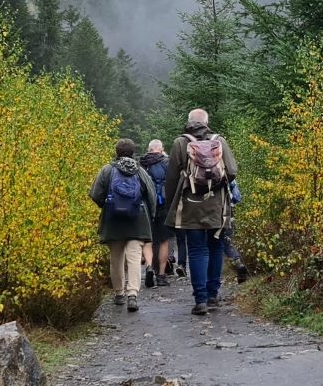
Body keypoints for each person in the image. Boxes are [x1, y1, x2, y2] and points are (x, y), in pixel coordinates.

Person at [166, 107, 238, 314]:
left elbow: (171, 178)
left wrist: (172, 204)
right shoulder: (219, 140)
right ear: (207, 122)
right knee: (215, 248)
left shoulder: (181, 142)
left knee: (197, 250)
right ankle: (213, 295)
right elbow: (232, 171)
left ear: (189, 121)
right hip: (217, 205)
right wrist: (216, 186)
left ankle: (201, 300)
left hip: (190, 204)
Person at [89, 137, 158, 312]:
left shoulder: (107, 170)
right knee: (134, 257)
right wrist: (151, 215)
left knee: (116, 258)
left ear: (116, 152)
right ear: (133, 152)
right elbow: (151, 195)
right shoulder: (140, 171)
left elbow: (95, 194)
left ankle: (119, 293)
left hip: (113, 220)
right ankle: (132, 294)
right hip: (137, 219)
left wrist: (107, 206)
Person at [139, 138, 173, 287]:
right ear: (161, 148)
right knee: (164, 240)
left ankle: (148, 268)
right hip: (164, 206)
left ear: (149, 149)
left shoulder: (142, 164)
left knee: (148, 240)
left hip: (146, 206)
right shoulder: (167, 163)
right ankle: (161, 275)